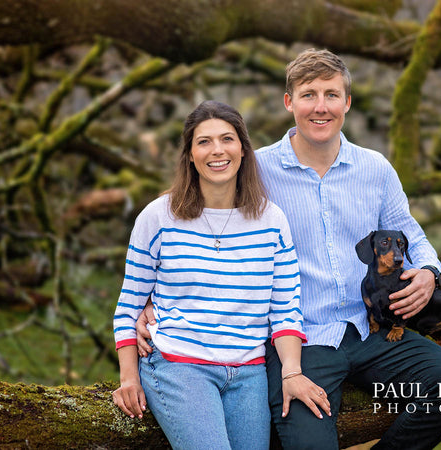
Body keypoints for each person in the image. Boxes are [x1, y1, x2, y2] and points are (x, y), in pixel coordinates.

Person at [137, 50, 441, 449]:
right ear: (289, 103)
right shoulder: (256, 170)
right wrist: (149, 299)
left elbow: (410, 234)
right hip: (298, 343)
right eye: (308, 94)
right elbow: (184, 206)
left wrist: (429, 271)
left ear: (347, 102)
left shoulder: (376, 168)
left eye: (331, 94)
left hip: (373, 329)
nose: (320, 106)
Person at [111, 100, 330, 450]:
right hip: (177, 365)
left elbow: (285, 309)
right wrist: (128, 378)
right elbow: (127, 308)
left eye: (227, 139)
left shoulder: (271, 221)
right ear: (190, 154)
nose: (217, 150)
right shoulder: (158, 217)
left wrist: (292, 371)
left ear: (243, 149)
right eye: (204, 141)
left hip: (249, 373)